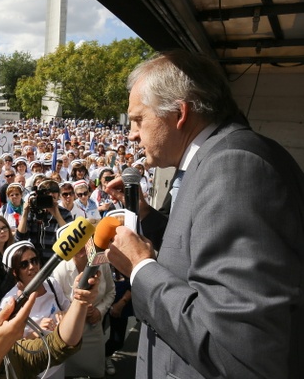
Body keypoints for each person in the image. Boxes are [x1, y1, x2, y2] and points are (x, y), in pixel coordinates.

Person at [104, 50, 304, 378]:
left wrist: (140, 269)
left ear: (179, 113)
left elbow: (238, 351)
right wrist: (148, 216)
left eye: (139, 119)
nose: (132, 134)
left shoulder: (234, 167)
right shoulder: (216, 160)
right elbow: (198, 250)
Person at [0, 241, 70, 378]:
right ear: (15, 272)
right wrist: (36, 332)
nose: (32, 267)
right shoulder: (9, 303)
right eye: (24, 264)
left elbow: (68, 308)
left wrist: (64, 315)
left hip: (59, 361)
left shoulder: (52, 284)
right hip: (34, 371)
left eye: (34, 260)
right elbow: (9, 346)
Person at [52, 224, 115, 378]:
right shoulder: (60, 271)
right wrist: (75, 310)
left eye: (84, 241)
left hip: (95, 328)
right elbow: (56, 306)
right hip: (72, 334)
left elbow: (111, 292)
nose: (80, 247)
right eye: (75, 243)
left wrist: (99, 311)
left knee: (96, 371)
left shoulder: (102, 263)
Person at [15, 180, 73, 262]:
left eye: (54, 192)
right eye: (47, 192)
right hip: (34, 261)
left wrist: (56, 214)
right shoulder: (33, 211)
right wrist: (25, 212)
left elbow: (71, 239)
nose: (50, 195)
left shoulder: (65, 213)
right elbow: (20, 238)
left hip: (56, 261)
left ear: (58, 195)